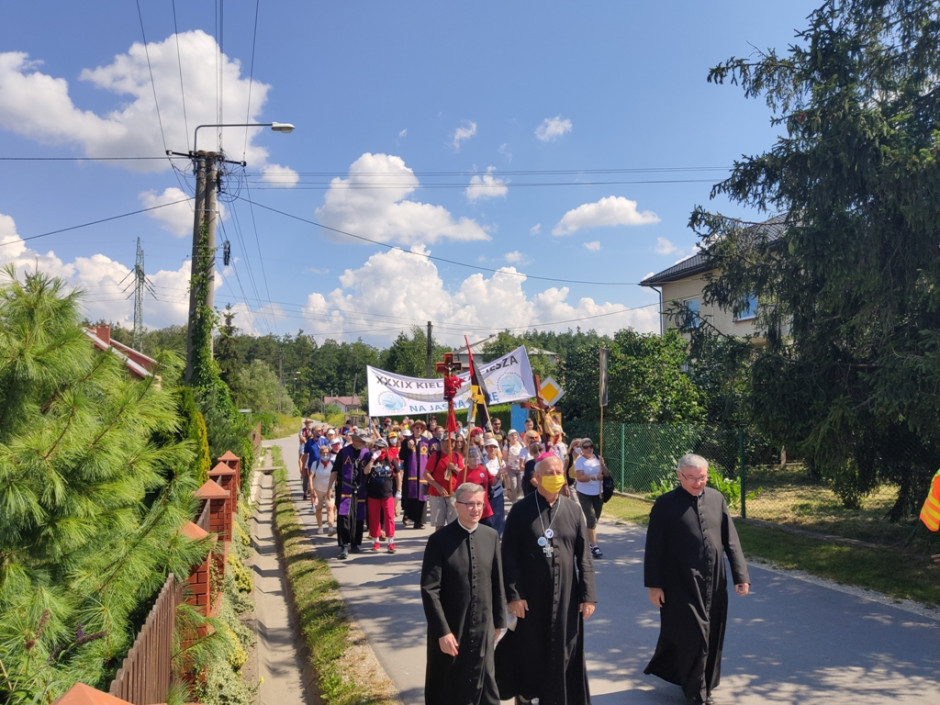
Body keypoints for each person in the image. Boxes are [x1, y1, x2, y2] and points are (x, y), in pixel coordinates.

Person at [643, 453, 750, 705]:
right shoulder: (665, 505)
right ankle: (696, 694)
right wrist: (654, 585)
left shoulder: (716, 498)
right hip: (680, 583)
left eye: (701, 477)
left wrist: (740, 575)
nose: (697, 483)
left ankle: (703, 682)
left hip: (715, 581)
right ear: (680, 476)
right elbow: (654, 548)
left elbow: (730, 540)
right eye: (691, 478)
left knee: (712, 633)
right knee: (694, 636)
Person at [496, 453, 597, 705]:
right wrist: (514, 595)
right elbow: (508, 556)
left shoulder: (573, 510)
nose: (555, 477)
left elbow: (583, 556)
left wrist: (588, 596)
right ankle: (526, 694)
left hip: (566, 595)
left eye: (559, 472)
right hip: (530, 596)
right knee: (531, 649)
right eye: (549, 473)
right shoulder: (520, 511)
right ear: (535, 479)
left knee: (563, 650)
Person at [420, 483, 506, 705]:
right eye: (469, 504)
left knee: (485, 687)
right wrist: (442, 632)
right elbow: (430, 590)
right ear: (456, 505)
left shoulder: (491, 536)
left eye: (479, 504)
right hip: (451, 629)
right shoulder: (439, 541)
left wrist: (499, 621)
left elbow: (497, 582)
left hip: (482, 628)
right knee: (448, 687)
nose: (475, 509)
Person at [329, 429, 374, 559]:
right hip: (344, 489)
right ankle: (344, 546)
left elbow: (367, 472)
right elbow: (335, 471)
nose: (363, 443)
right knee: (344, 517)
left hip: (360, 490)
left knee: (358, 517)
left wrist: (372, 460)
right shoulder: (343, 452)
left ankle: (355, 543)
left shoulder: (366, 453)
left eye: (364, 442)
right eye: (361, 441)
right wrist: (329, 488)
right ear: (354, 440)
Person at [573, 438, 608, 559]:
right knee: (591, 518)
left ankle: (587, 540)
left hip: (598, 492)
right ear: (581, 449)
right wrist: (594, 477)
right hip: (584, 492)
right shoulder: (580, 461)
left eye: (590, 446)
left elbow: (607, 475)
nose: (589, 449)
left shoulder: (598, 458)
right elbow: (580, 477)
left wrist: (603, 466)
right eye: (585, 447)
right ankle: (595, 546)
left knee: (595, 519)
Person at [364, 437, 400, 553]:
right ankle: (376, 541)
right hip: (373, 494)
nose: (379, 449)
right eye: (377, 447)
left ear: (386, 448)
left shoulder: (390, 458)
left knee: (389, 517)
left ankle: (391, 542)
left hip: (387, 493)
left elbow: (398, 473)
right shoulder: (371, 458)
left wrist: (399, 491)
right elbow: (366, 472)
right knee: (374, 518)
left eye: (381, 447)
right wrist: (372, 460)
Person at [424, 436, 463, 530]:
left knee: (454, 522)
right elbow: (426, 474)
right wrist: (438, 486)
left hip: (453, 493)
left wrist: (454, 468)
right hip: (437, 493)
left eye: (452, 442)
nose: (450, 444)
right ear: (442, 443)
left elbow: (462, 474)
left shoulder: (457, 456)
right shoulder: (435, 456)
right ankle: (439, 543)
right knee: (439, 523)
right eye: (447, 441)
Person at [311, 437, 339, 534]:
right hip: (318, 489)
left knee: (330, 508)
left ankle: (330, 526)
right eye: (323, 453)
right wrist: (311, 489)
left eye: (327, 453)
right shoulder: (316, 463)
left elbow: (336, 476)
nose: (325, 454)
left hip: (329, 490)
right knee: (318, 509)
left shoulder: (332, 463)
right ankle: (320, 527)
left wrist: (333, 487)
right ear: (320, 454)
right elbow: (311, 476)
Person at [482, 437, 506, 536]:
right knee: (487, 518)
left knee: (499, 517)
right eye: (490, 447)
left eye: (494, 447)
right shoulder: (482, 462)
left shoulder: (501, 462)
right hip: (486, 494)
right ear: (486, 448)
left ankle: (498, 538)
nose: (492, 449)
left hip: (498, 492)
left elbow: (504, 479)